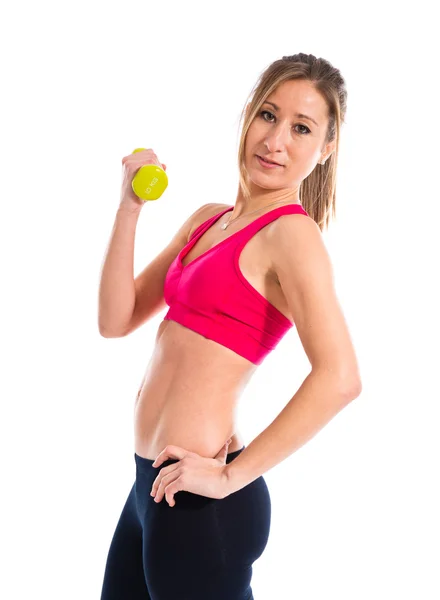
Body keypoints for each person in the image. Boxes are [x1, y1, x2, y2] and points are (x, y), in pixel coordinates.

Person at [98, 53, 362, 600]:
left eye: (302, 128)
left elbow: (340, 378)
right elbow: (115, 320)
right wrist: (129, 208)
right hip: (149, 487)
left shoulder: (292, 236)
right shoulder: (207, 220)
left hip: (202, 503)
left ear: (325, 149)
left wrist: (227, 477)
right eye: (268, 115)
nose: (276, 140)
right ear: (248, 116)